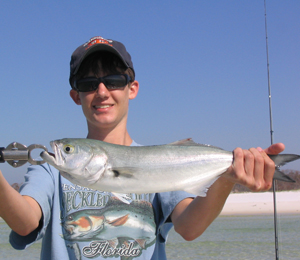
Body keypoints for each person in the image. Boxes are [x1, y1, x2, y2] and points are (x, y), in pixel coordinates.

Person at [0, 36, 284, 260]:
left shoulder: (163, 161)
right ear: (76, 96)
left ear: (132, 88)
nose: (101, 91)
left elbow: (189, 227)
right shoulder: (52, 171)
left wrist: (227, 178)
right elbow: (25, 222)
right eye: (88, 84)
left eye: (113, 81)